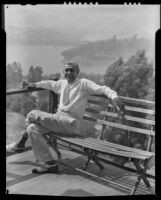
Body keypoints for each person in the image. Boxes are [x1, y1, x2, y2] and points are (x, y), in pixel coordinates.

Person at [6, 62, 125, 174]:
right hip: (58, 120)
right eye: (66, 70)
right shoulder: (63, 83)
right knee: (32, 128)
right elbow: (48, 84)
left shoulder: (83, 83)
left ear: (77, 72)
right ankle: (49, 163)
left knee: (32, 114)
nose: (68, 72)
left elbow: (103, 89)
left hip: (70, 123)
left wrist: (114, 97)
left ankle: (20, 143)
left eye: (71, 70)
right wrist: (33, 85)